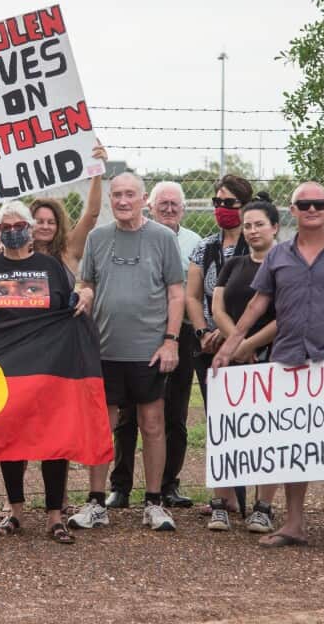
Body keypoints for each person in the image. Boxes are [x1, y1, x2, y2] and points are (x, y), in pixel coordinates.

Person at [213, 181, 324, 555]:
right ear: (292, 211)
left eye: (318, 203)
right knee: (294, 444)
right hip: (288, 359)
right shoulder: (278, 255)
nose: (311, 209)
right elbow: (258, 304)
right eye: (303, 204)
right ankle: (293, 523)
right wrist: (230, 345)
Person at [68, 173, 184, 533]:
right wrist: (85, 294)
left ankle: (153, 503)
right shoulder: (98, 238)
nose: (122, 201)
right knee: (102, 426)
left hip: (148, 350)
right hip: (104, 349)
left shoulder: (163, 238)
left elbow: (176, 293)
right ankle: (96, 502)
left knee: (152, 424)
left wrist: (171, 340)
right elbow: (87, 283)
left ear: (143, 199)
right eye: (116, 194)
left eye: (129, 194)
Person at [0, 200, 88, 544]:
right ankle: (15, 511)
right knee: (11, 439)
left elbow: (67, 307)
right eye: (6, 228)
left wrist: (84, 294)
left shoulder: (49, 265)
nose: (13, 232)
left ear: (29, 229)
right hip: (7, 367)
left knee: (54, 438)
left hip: (48, 366)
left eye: (19, 226)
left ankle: (55, 516)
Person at [108, 180, 201, 509]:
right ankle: (120, 485)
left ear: (183, 209)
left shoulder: (194, 243)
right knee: (127, 415)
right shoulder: (133, 238)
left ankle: (167, 484)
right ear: (150, 205)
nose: (169, 208)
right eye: (163, 203)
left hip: (178, 333)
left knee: (174, 412)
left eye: (175, 204)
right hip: (138, 333)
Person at [208, 195, 282, 533]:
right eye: (248, 225)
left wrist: (251, 345)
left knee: (270, 432)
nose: (252, 231)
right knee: (227, 429)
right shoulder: (234, 265)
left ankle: (263, 507)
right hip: (232, 358)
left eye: (259, 225)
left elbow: (286, 314)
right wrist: (236, 345)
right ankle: (220, 504)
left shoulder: (286, 265)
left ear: (274, 227)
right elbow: (218, 308)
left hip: (271, 358)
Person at [186, 174, 254, 516]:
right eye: (217, 202)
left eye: (229, 203)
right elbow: (192, 295)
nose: (221, 209)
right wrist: (202, 332)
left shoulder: (257, 246)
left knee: (249, 421)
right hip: (209, 348)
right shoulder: (205, 247)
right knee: (219, 420)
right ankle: (224, 496)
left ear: (245, 206)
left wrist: (231, 335)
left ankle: (253, 498)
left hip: (248, 345)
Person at [0, 142, 108, 276]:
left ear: (59, 226)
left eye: (51, 222)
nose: (45, 227)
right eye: (39, 221)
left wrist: (97, 169)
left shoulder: (69, 251)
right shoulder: (12, 249)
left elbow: (92, 214)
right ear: (28, 224)